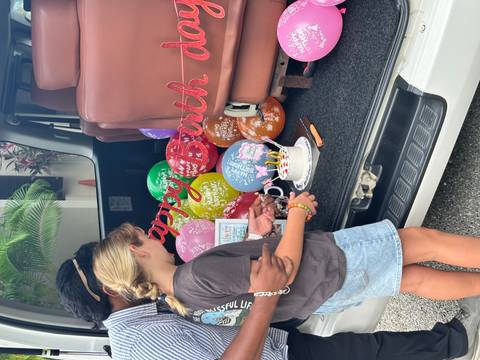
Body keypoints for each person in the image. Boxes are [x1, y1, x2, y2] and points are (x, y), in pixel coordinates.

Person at [92, 191, 480, 326]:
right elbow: (284, 272)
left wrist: (259, 235)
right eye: (144, 235)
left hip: (324, 292)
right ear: (136, 250)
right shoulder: (195, 275)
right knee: (421, 241)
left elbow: (252, 285)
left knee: (412, 279)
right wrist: (296, 213)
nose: (152, 235)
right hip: (325, 265)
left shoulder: (182, 298)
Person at [56, 241, 480, 360]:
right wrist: (265, 297)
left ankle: (454, 339)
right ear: (111, 290)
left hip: (272, 339)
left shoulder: (144, 318)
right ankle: (457, 341)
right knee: (369, 350)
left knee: (369, 342)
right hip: (272, 352)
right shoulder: (142, 344)